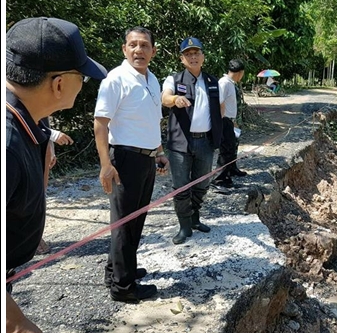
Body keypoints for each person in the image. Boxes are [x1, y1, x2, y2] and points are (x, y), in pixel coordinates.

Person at [6, 17, 107, 333]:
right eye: (83, 77)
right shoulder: (7, 144)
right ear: (60, 84)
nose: (84, 86)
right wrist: (12, 322)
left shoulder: (30, 122)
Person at [94, 26, 169, 303]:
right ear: (125, 49)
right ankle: (123, 288)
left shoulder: (152, 79)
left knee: (136, 219)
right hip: (124, 159)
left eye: (144, 45)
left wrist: (159, 151)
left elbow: (152, 120)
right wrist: (105, 165)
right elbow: (100, 123)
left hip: (147, 158)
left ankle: (117, 270)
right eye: (133, 45)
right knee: (124, 223)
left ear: (153, 50)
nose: (139, 50)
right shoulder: (116, 79)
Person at [161, 37, 223, 245]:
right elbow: (165, 98)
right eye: (189, 54)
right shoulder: (174, 80)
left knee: (202, 183)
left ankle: (195, 218)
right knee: (181, 186)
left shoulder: (214, 82)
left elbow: (220, 109)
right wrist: (175, 100)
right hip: (180, 143)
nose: (193, 57)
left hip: (205, 141)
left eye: (197, 53)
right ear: (182, 59)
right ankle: (184, 225)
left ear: (203, 57)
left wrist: (219, 132)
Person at [36, 118, 74, 255]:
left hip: (41, 145)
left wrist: (50, 147)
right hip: (22, 146)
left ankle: (33, 237)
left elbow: (42, 118)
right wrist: (52, 134)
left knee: (39, 196)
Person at [214, 59, 248, 188]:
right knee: (226, 150)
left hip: (229, 120)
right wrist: (223, 122)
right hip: (224, 120)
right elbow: (218, 103)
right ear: (240, 73)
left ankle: (231, 170)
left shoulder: (230, 83)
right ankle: (219, 179)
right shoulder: (224, 83)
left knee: (232, 147)